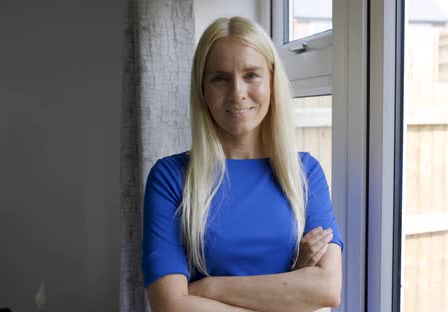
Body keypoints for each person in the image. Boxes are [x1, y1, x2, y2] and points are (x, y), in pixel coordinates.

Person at [142, 16, 343, 311]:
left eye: (251, 75)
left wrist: (207, 288)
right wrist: (292, 285)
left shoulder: (304, 174)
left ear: (272, 81)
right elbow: (171, 305)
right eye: (220, 78)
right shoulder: (170, 177)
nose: (237, 92)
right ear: (202, 89)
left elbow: (326, 289)